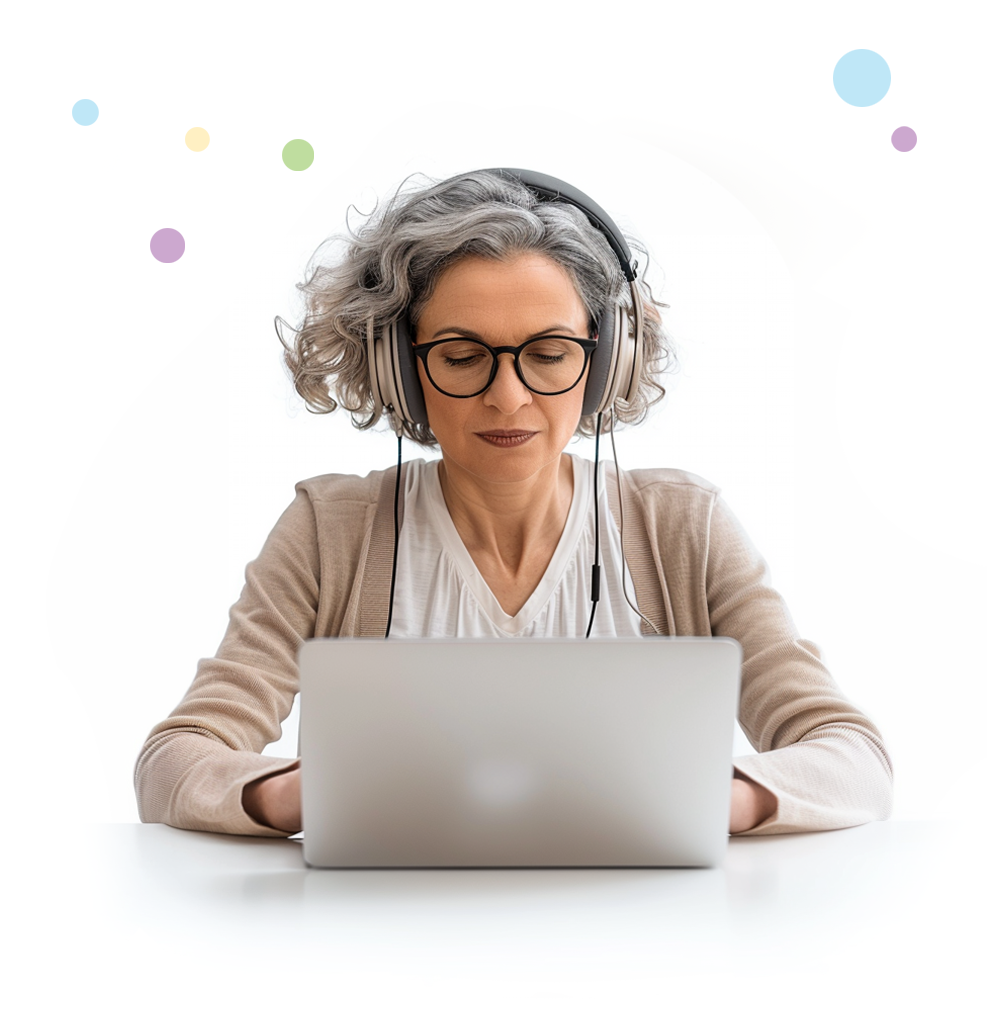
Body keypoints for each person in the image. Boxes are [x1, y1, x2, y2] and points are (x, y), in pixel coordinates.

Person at [134, 169, 892, 839]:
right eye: (462, 356)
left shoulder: (680, 526)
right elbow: (175, 759)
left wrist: (727, 800)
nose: (508, 397)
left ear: (605, 364)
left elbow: (853, 756)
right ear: (402, 368)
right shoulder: (330, 533)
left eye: (550, 354)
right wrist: (293, 795)